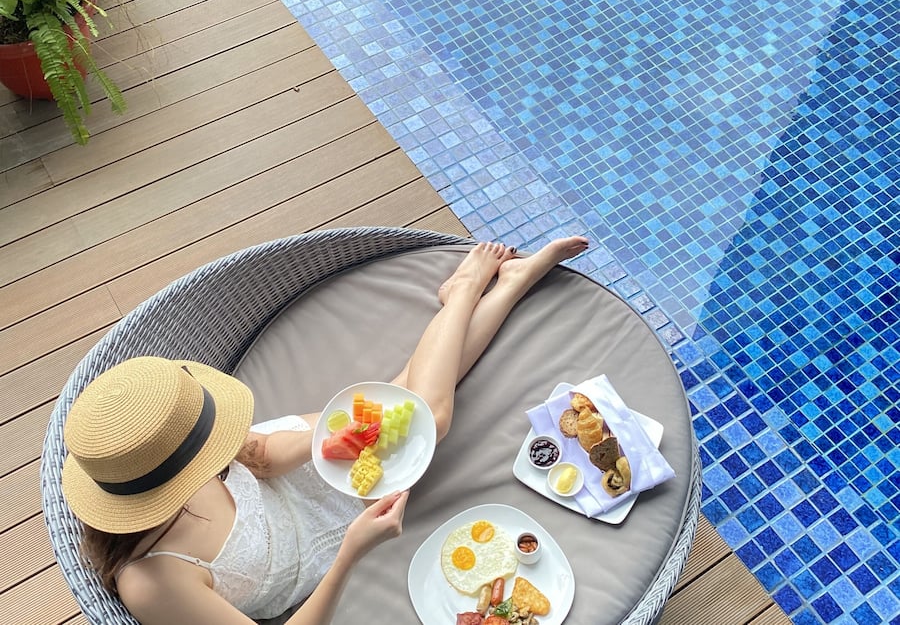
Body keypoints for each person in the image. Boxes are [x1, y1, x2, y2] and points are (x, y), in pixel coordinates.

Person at [62, 236, 590, 624]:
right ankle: (492, 289)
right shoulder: (152, 582)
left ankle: (473, 290)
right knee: (425, 408)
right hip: (324, 536)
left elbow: (261, 454)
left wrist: (319, 446)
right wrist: (352, 552)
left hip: (293, 462)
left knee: (416, 404)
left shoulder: (172, 441)